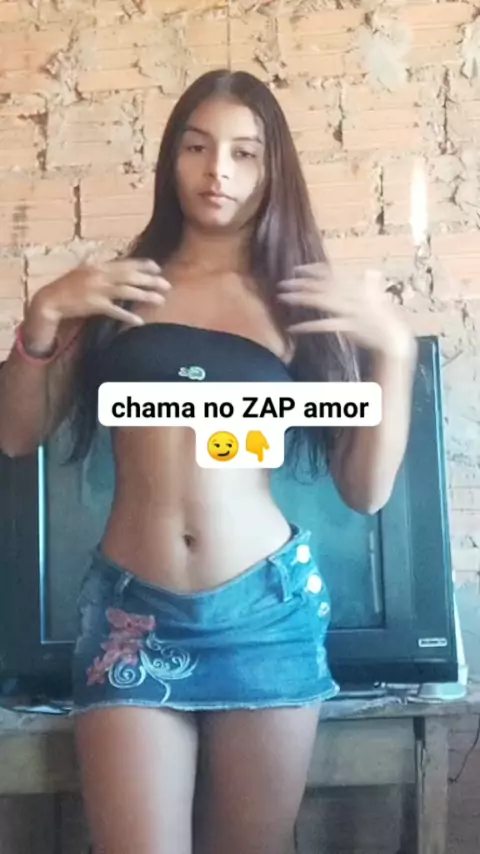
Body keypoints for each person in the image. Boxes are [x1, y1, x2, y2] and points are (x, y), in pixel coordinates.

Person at [0, 69, 417, 854]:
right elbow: (16, 434)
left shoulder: (298, 300)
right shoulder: (121, 288)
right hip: (130, 615)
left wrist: (393, 351)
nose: (216, 170)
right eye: (196, 147)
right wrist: (45, 312)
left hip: (267, 614)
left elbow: (365, 492)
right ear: (171, 158)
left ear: (272, 168)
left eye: (243, 153)